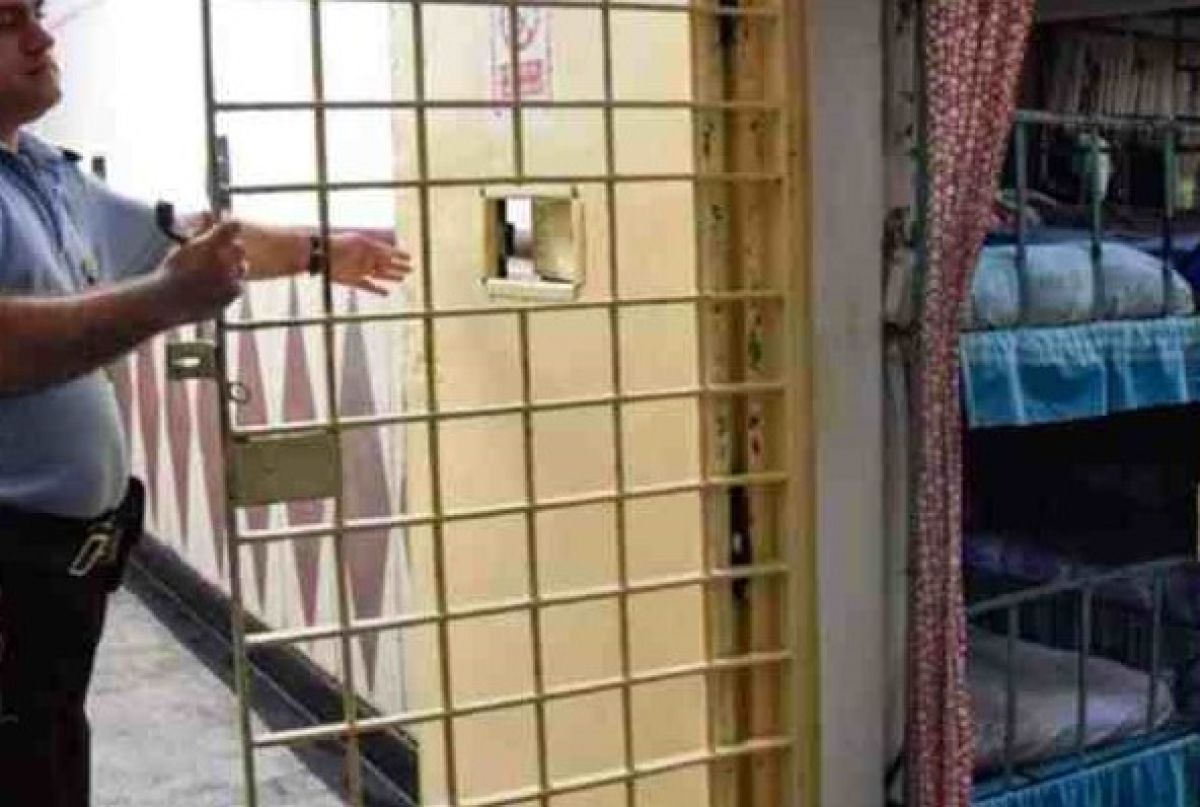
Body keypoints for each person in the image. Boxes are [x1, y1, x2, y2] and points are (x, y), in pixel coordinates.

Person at [0, 2, 412, 805]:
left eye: (38, 12)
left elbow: (192, 236)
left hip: (61, 568)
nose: (43, 37)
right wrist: (166, 299)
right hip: (13, 563)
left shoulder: (46, 173)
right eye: (6, 21)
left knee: (46, 753)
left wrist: (320, 250)